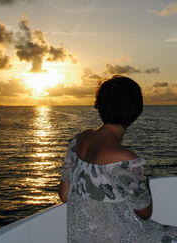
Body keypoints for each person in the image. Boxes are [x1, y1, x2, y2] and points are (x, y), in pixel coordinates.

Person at [59, 75, 177, 242]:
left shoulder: (77, 141)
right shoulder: (125, 160)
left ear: (99, 106)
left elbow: (64, 195)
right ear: (136, 112)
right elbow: (144, 213)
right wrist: (146, 183)